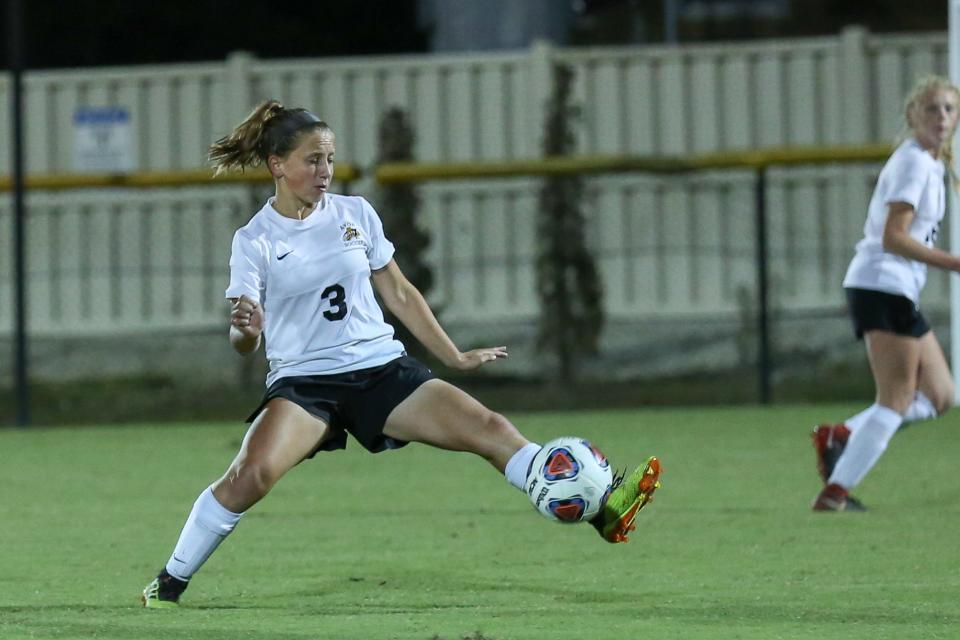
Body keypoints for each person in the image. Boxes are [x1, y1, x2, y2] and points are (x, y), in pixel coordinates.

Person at [140, 100, 662, 607]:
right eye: (312, 160)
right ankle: (168, 582)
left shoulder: (355, 213)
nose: (325, 171)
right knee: (249, 477)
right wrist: (247, 330)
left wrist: (453, 356)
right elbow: (244, 337)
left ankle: (601, 508)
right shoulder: (253, 240)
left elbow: (400, 293)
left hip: (380, 370)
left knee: (491, 428)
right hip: (306, 383)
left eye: (329, 158)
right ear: (277, 165)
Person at [811, 75, 960, 512]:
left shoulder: (929, 163)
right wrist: (953, 262)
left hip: (891, 289)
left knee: (940, 396)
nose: (942, 117)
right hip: (882, 284)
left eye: (949, 109)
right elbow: (894, 237)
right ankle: (835, 492)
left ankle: (841, 436)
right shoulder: (913, 162)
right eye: (931, 108)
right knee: (895, 399)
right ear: (912, 114)